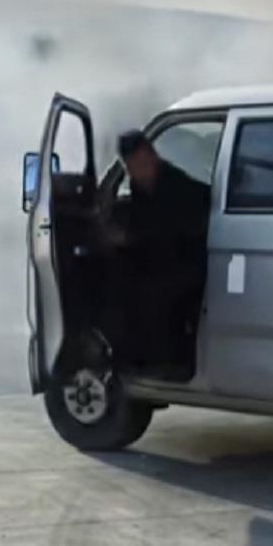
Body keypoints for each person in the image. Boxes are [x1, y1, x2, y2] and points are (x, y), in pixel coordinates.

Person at [114, 130, 211, 378]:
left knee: (152, 294)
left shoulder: (176, 185)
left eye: (141, 163)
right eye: (131, 166)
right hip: (163, 256)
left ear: (152, 156)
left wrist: (131, 240)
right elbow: (142, 224)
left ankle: (167, 363)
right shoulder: (139, 187)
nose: (138, 171)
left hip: (191, 258)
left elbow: (169, 231)